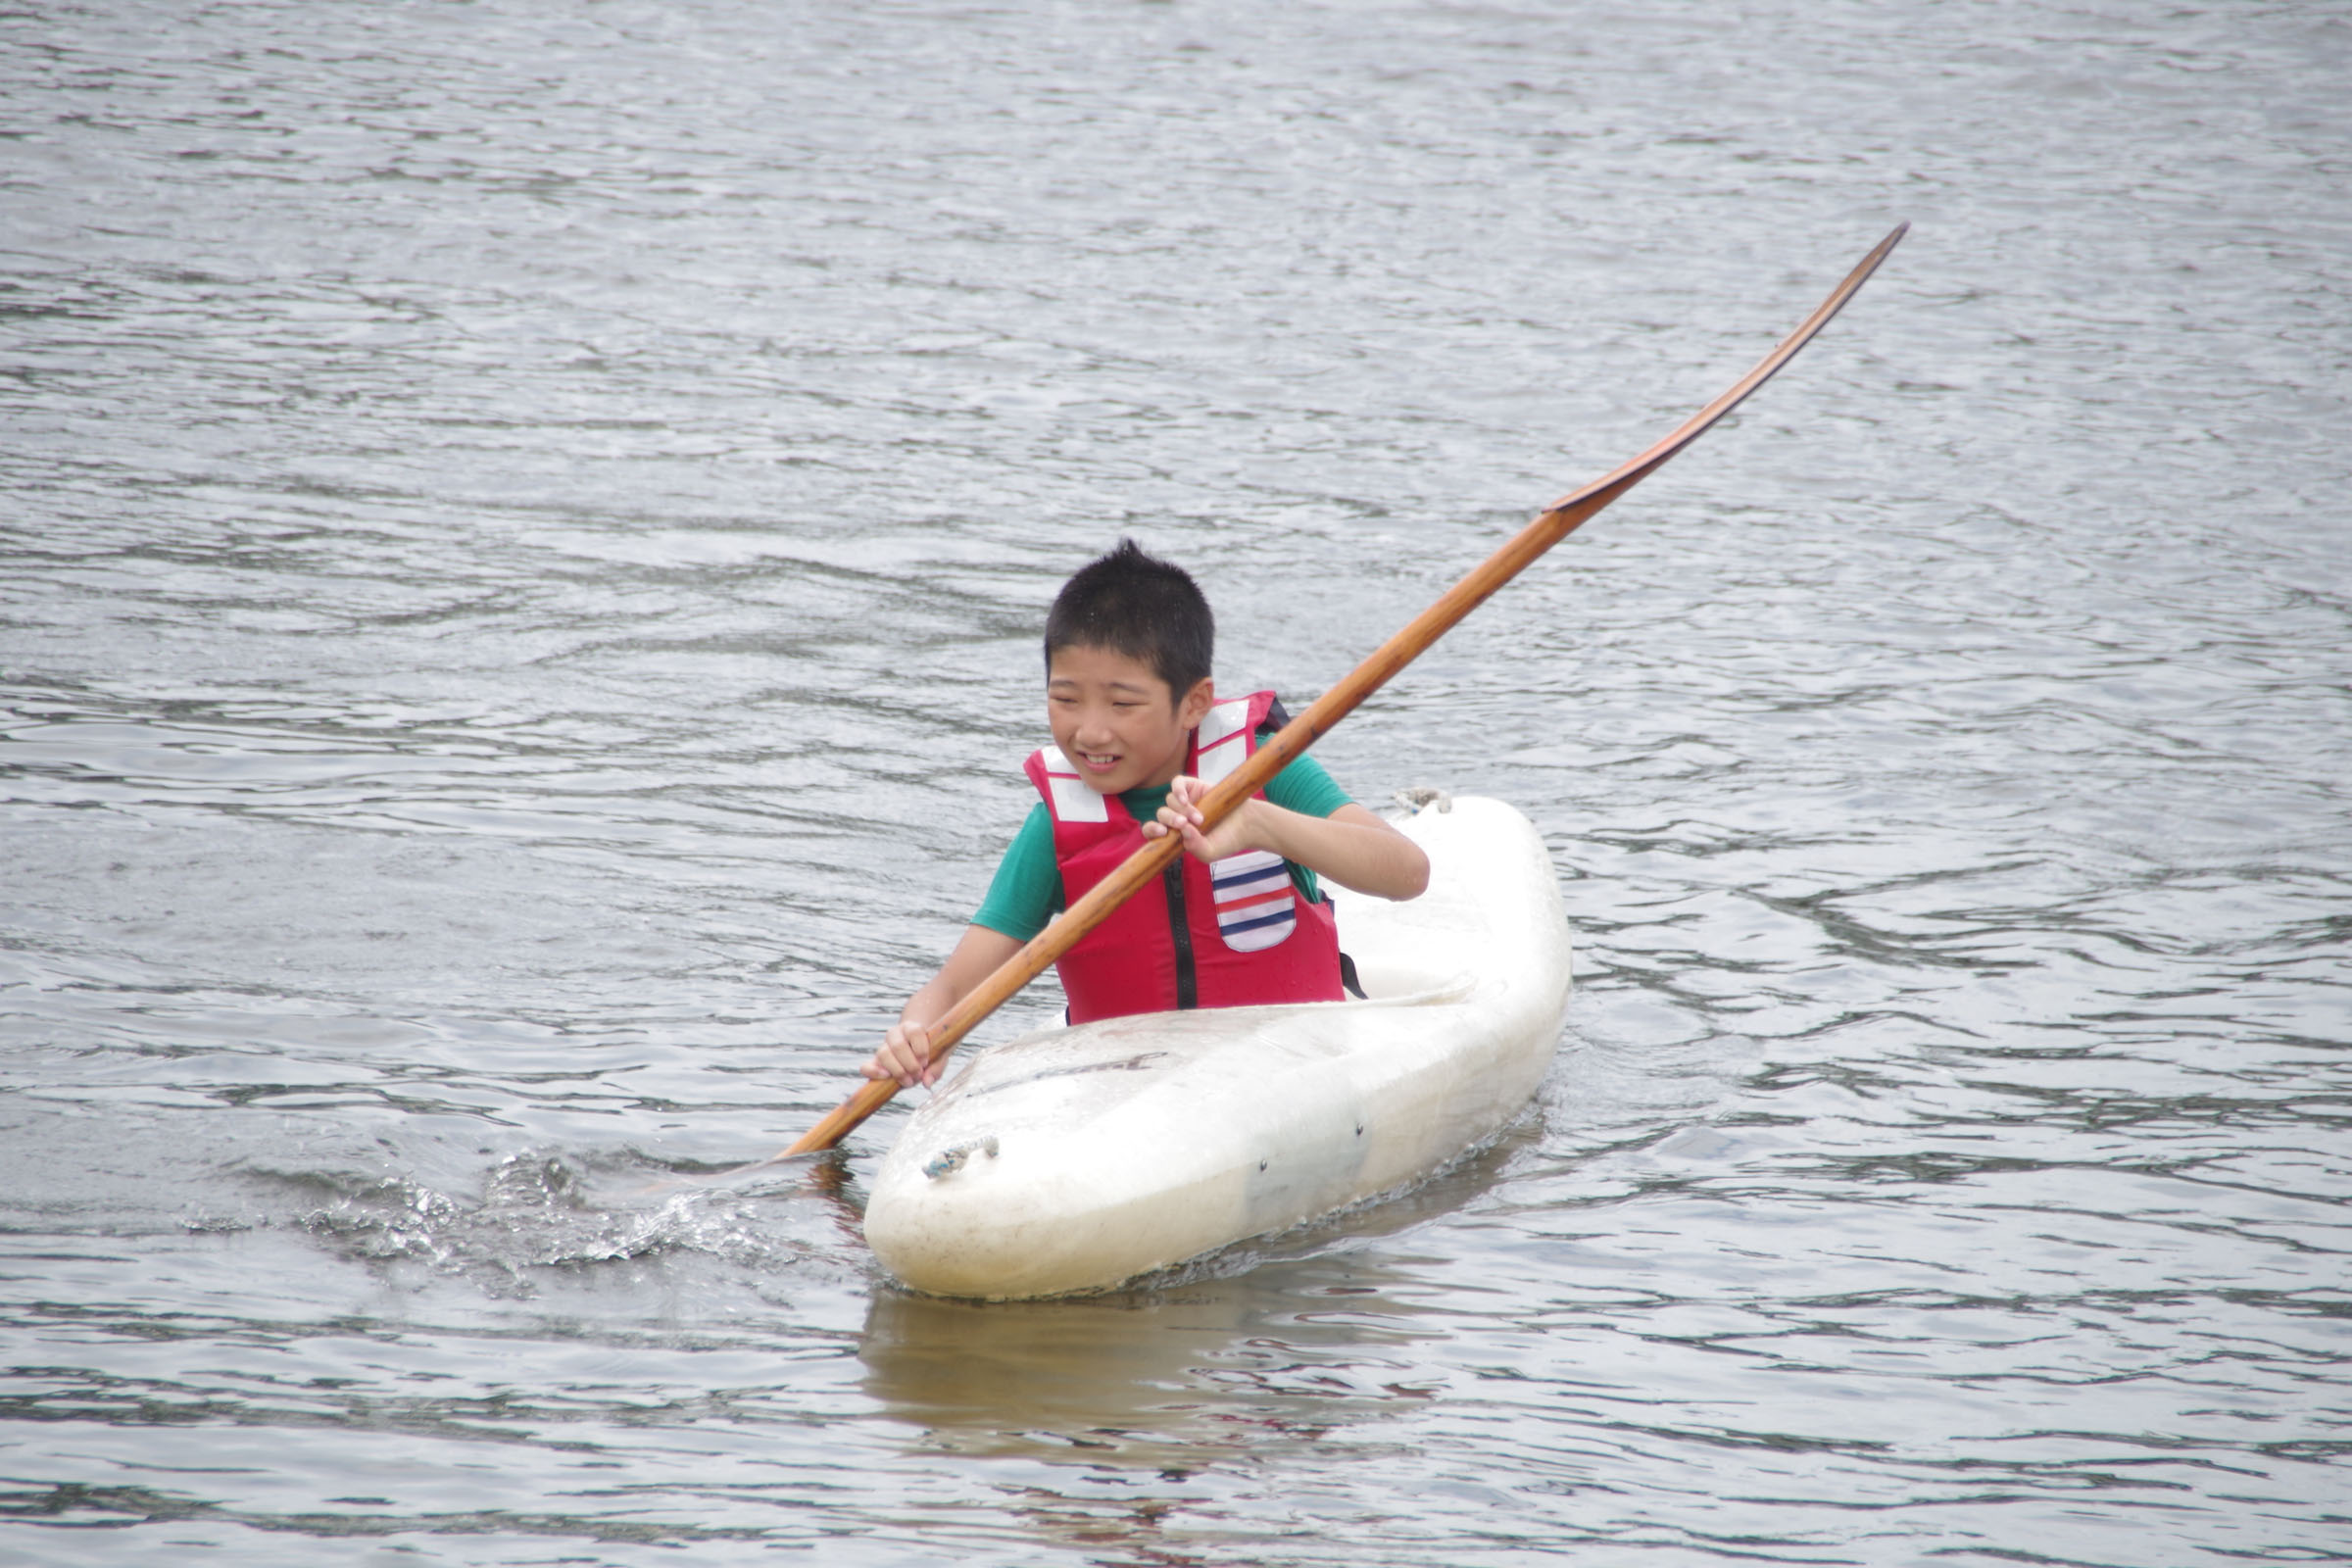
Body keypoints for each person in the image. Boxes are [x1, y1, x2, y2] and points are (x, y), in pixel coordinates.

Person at [863, 539, 1431, 1089]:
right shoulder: (1057, 826)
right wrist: (917, 1030)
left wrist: (1258, 823)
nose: (1089, 731)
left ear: (1195, 703)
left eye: (1123, 703)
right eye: (1065, 699)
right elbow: (953, 986)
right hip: (1129, 1093)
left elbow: (1407, 873)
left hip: (1291, 1065)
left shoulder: (1261, 769)